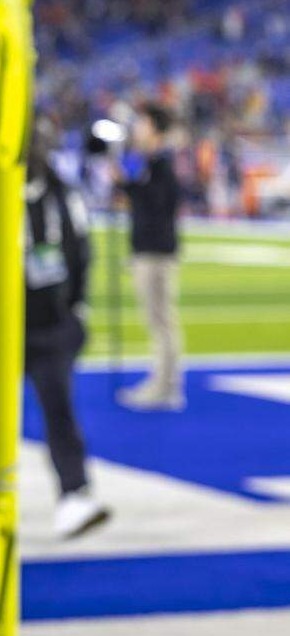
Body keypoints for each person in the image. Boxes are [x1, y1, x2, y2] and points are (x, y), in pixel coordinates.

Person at [24, 119, 111, 538]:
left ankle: (74, 492)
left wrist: (75, 309)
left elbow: (82, 254)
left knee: (59, 411)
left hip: (50, 327)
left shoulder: (63, 195)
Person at [114, 103, 184, 410]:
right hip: (148, 248)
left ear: (154, 126)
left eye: (142, 122)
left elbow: (159, 203)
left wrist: (131, 184)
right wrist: (127, 184)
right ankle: (163, 382)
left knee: (161, 320)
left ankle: (165, 386)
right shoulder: (151, 161)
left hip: (156, 251)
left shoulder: (162, 161)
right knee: (156, 319)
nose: (137, 128)